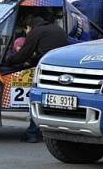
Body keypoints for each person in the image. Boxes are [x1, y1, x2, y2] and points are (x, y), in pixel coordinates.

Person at [5, 15, 70, 143]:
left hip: (47, 71)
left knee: (38, 99)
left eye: (26, 30)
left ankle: (32, 133)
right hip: (62, 70)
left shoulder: (36, 31)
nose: (27, 33)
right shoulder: (57, 29)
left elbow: (24, 54)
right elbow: (46, 52)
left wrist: (8, 61)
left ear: (29, 26)